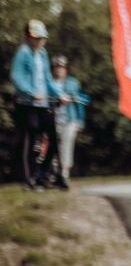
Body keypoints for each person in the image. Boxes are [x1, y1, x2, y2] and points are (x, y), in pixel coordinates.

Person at [10, 19, 68, 190]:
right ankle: (28, 179)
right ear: (28, 37)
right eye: (36, 38)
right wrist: (31, 92)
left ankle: (42, 174)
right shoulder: (23, 53)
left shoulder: (42, 54)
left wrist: (59, 94)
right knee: (29, 141)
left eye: (41, 38)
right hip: (27, 104)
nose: (39, 41)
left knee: (54, 139)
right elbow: (16, 77)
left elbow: (48, 80)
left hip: (43, 105)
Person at [50, 54, 87, 186]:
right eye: (57, 67)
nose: (59, 70)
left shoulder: (72, 83)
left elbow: (79, 102)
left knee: (67, 146)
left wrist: (80, 120)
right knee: (54, 147)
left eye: (62, 67)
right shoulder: (49, 82)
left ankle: (65, 173)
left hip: (69, 119)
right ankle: (54, 173)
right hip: (53, 119)